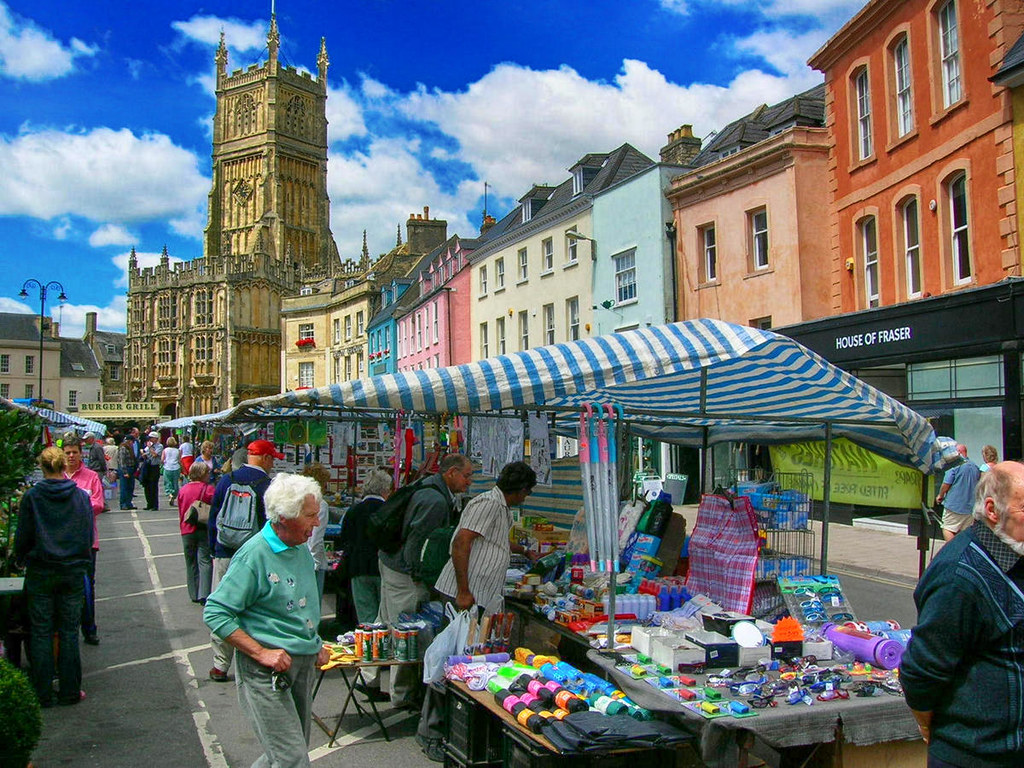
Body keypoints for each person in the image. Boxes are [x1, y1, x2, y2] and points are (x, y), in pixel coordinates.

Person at [203, 473, 330, 768]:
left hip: (300, 664)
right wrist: (261, 652)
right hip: (266, 672)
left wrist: (314, 642)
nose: (316, 522)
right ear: (284, 517)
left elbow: (299, 605)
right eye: (310, 516)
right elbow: (216, 611)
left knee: (286, 753)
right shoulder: (254, 555)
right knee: (292, 758)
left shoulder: (299, 548)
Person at [902, 461, 1024, 766]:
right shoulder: (958, 575)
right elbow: (922, 672)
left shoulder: (1016, 551)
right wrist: (930, 727)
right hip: (977, 755)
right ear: (993, 510)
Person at [418, 461, 536, 760]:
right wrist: (463, 590)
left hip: (479, 596)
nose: (527, 497)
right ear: (520, 490)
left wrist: (523, 550)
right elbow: (461, 543)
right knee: (448, 662)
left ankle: (455, 730)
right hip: (465, 595)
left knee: (466, 664)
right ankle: (431, 732)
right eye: (527, 492)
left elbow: (493, 542)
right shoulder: (488, 504)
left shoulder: (501, 507)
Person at [378, 454, 473, 711]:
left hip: (390, 561)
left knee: (388, 623)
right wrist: (417, 577)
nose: (469, 482)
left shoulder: (427, 486)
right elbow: (417, 541)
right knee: (406, 632)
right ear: (451, 473)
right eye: (466, 476)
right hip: (402, 570)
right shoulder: (435, 500)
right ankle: (401, 696)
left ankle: (372, 679)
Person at [14, 446, 94, 706]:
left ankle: (42, 692)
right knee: (69, 631)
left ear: (42, 467)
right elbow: (87, 533)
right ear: (62, 466)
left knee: (41, 631)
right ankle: (70, 690)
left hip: (41, 569)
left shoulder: (33, 497)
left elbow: (23, 535)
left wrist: (21, 558)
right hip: (72, 569)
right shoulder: (80, 496)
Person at [206, 439, 281, 682]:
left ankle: (220, 664)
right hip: (254, 558)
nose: (272, 464)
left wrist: (214, 549)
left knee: (223, 607)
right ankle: (255, 659)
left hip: (224, 552)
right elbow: (272, 527)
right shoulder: (267, 487)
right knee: (256, 609)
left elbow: (214, 516)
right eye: (272, 459)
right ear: (265, 458)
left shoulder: (226, 480)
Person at [341, 468, 393, 702]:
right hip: (383, 571)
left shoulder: (353, 511)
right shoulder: (388, 510)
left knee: (367, 625)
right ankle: (386, 672)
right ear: (385, 490)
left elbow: (345, 539)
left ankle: (368, 678)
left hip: (358, 571)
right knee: (385, 622)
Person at [62, 434, 104, 646]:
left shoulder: (91, 477)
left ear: (81, 454)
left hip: (87, 541)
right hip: (61, 542)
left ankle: (89, 629)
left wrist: (74, 506)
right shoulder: (57, 476)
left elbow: (98, 504)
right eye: (68, 453)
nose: (71, 456)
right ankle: (65, 629)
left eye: (74, 453)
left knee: (87, 586)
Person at [178, 461, 215, 605]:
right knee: (205, 561)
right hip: (203, 528)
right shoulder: (209, 489)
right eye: (207, 473)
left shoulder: (183, 490)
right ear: (202, 474)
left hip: (186, 529)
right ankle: (204, 594)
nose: (209, 475)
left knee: (190, 562)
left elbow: (181, 510)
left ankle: (193, 593)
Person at [935, 444, 982, 541]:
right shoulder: (975, 467)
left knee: (948, 528)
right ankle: (962, 549)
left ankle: (953, 549)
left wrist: (940, 495)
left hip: (954, 506)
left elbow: (946, 484)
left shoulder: (954, 466)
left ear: (958, 452)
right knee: (964, 533)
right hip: (970, 507)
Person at [300, 463, 332, 604]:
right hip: (313, 563)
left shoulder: (298, 501)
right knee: (313, 604)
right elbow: (315, 538)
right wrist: (315, 564)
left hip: (298, 558)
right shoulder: (321, 505)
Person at [139, 431, 163, 511]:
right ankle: (149, 504)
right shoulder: (149, 446)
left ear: (155, 438)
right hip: (148, 466)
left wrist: (150, 448)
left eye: (151, 438)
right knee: (147, 486)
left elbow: (155, 454)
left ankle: (155, 505)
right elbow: (145, 453)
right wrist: (143, 453)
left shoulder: (159, 446)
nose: (150, 440)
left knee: (153, 486)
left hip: (154, 467)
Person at [117, 433, 138, 510]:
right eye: (133, 441)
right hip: (126, 469)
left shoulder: (129, 448)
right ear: (129, 441)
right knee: (124, 487)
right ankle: (123, 504)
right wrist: (125, 472)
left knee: (130, 487)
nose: (133, 443)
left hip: (131, 468)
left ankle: (129, 503)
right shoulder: (123, 448)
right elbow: (122, 461)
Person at [162, 435, 182, 505]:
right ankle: (174, 494)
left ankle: (169, 493)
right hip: (176, 467)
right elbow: (179, 460)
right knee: (175, 482)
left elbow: (162, 459)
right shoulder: (178, 451)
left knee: (167, 482)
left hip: (167, 467)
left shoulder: (165, 450)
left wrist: (163, 463)